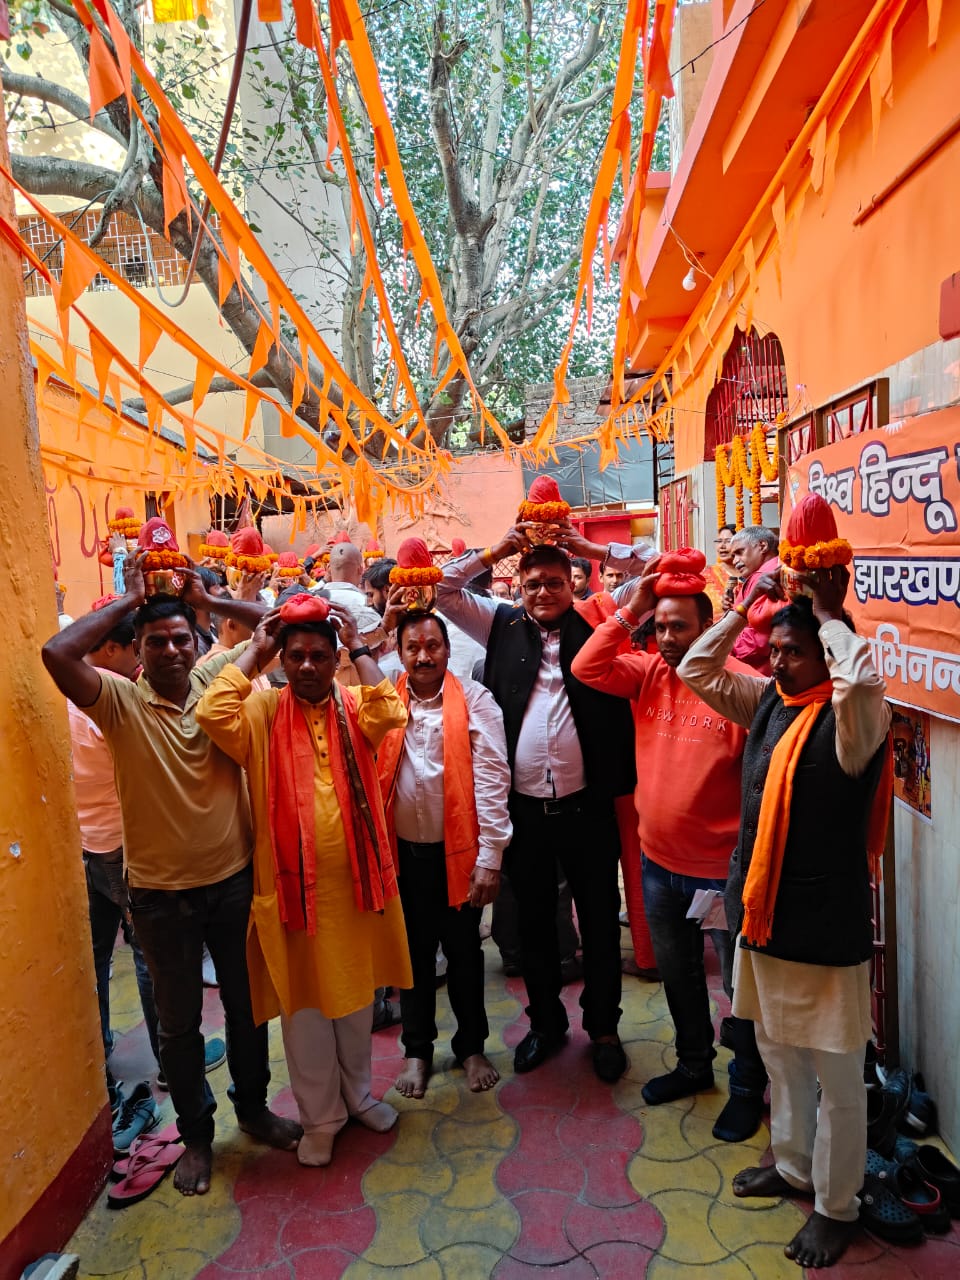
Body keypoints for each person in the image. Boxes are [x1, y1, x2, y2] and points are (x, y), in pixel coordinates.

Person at [41, 560, 301, 1197]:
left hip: (233, 883)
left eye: (182, 638)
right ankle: (197, 1138)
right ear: (135, 650)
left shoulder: (216, 677)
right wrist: (130, 598)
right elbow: (56, 652)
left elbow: (276, 625)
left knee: (246, 1009)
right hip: (159, 898)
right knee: (178, 1025)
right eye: (155, 641)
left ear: (197, 639)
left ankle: (253, 1110)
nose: (171, 650)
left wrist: (209, 599)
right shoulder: (119, 702)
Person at [678, 567, 890, 1269]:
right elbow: (696, 668)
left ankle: (838, 1206)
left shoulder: (854, 723)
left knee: (838, 1076)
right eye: (772, 652)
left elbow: (862, 681)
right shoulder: (772, 700)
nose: (776, 663)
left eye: (792, 652)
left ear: (826, 655)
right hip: (762, 918)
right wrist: (743, 610)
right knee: (779, 1055)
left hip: (824, 927)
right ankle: (795, 1167)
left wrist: (829, 615)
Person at [195, 594, 413, 1168]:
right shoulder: (263, 712)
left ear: (335, 657)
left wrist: (359, 647)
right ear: (282, 660)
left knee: (357, 1002)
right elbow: (211, 712)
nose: (308, 666)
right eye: (296, 656)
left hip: (357, 890)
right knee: (306, 1011)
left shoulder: (355, 705)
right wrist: (255, 652)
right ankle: (321, 1118)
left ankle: (359, 1096)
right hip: (293, 895)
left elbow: (392, 711)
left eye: (320, 655)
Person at [571, 552, 768, 1141]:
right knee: (681, 977)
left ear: (708, 627)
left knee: (741, 990)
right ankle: (693, 1065)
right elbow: (586, 666)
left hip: (723, 874)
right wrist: (631, 608)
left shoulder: (741, 686)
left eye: (679, 626)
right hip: (658, 865)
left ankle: (747, 1087)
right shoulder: (648, 672)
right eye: (659, 626)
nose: (667, 638)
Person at [436, 533, 636, 1082]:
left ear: (572, 584)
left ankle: (604, 1029)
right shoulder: (499, 623)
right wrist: (498, 549)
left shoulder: (600, 617)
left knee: (599, 924)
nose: (543, 592)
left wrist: (588, 547)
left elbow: (656, 570)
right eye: (532, 584)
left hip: (588, 808)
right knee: (535, 927)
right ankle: (546, 1024)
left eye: (553, 582)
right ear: (518, 588)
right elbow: (442, 589)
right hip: (524, 811)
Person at [376, 610, 512, 1099]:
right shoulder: (383, 702)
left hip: (459, 856)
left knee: (465, 956)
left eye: (432, 646)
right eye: (413, 647)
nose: (423, 657)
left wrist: (490, 858)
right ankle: (417, 1051)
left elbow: (493, 778)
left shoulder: (475, 700)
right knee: (412, 959)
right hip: (404, 858)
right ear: (399, 653)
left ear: (448, 650)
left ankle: (471, 1047)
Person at [727, 527, 780, 674]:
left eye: (740, 552)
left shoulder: (764, 578)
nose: (735, 561)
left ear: (762, 546)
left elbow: (759, 639)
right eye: (733, 556)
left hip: (759, 673)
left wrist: (726, 648)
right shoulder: (771, 571)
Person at [703, 525, 736, 615]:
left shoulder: (750, 574)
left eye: (728, 541)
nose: (722, 546)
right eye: (719, 541)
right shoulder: (707, 575)